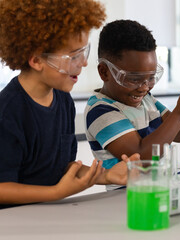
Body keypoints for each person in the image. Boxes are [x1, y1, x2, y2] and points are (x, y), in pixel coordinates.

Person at [0, 0, 139, 209]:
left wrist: (108, 175)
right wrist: (56, 192)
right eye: (73, 55)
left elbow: (62, 168)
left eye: (84, 51)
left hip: (47, 217)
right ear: (37, 60)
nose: (83, 62)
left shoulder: (63, 100)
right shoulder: (7, 113)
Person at [84, 20, 180, 189]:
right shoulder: (101, 112)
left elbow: (179, 134)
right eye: (134, 79)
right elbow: (142, 157)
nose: (144, 87)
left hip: (161, 188)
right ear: (104, 72)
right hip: (130, 198)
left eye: (151, 78)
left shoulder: (146, 99)